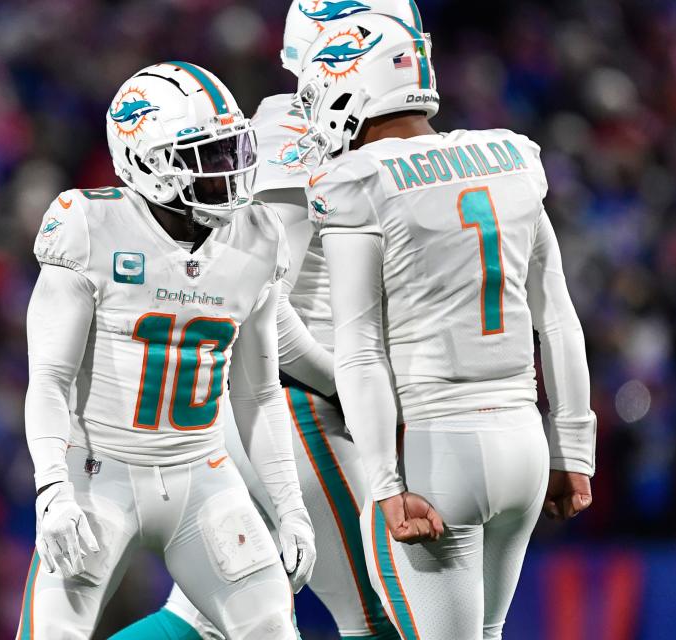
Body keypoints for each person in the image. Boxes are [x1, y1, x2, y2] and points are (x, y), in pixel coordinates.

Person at [112, 3, 425, 639]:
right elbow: (260, 296)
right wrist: (348, 384)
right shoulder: (295, 128)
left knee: (204, 622)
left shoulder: (353, 128)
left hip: (281, 410)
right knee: (382, 615)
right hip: (300, 409)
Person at [298, 14, 597, 640]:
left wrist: (381, 481)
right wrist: (574, 448)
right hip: (524, 446)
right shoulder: (510, 156)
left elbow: (359, 348)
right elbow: (559, 318)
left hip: (436, 452)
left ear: (352, 88)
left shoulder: (361, 182)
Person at [16, 61, 316, 640]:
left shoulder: (256, 237)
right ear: (150, 163)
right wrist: (52, 487)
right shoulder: (89, 226)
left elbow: (256, 393)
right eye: (208, 155)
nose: (231, 170)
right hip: (97, 469)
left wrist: (290, 507)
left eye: (232, 150)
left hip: (202, 471)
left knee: (273, 628)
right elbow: (49, 379)